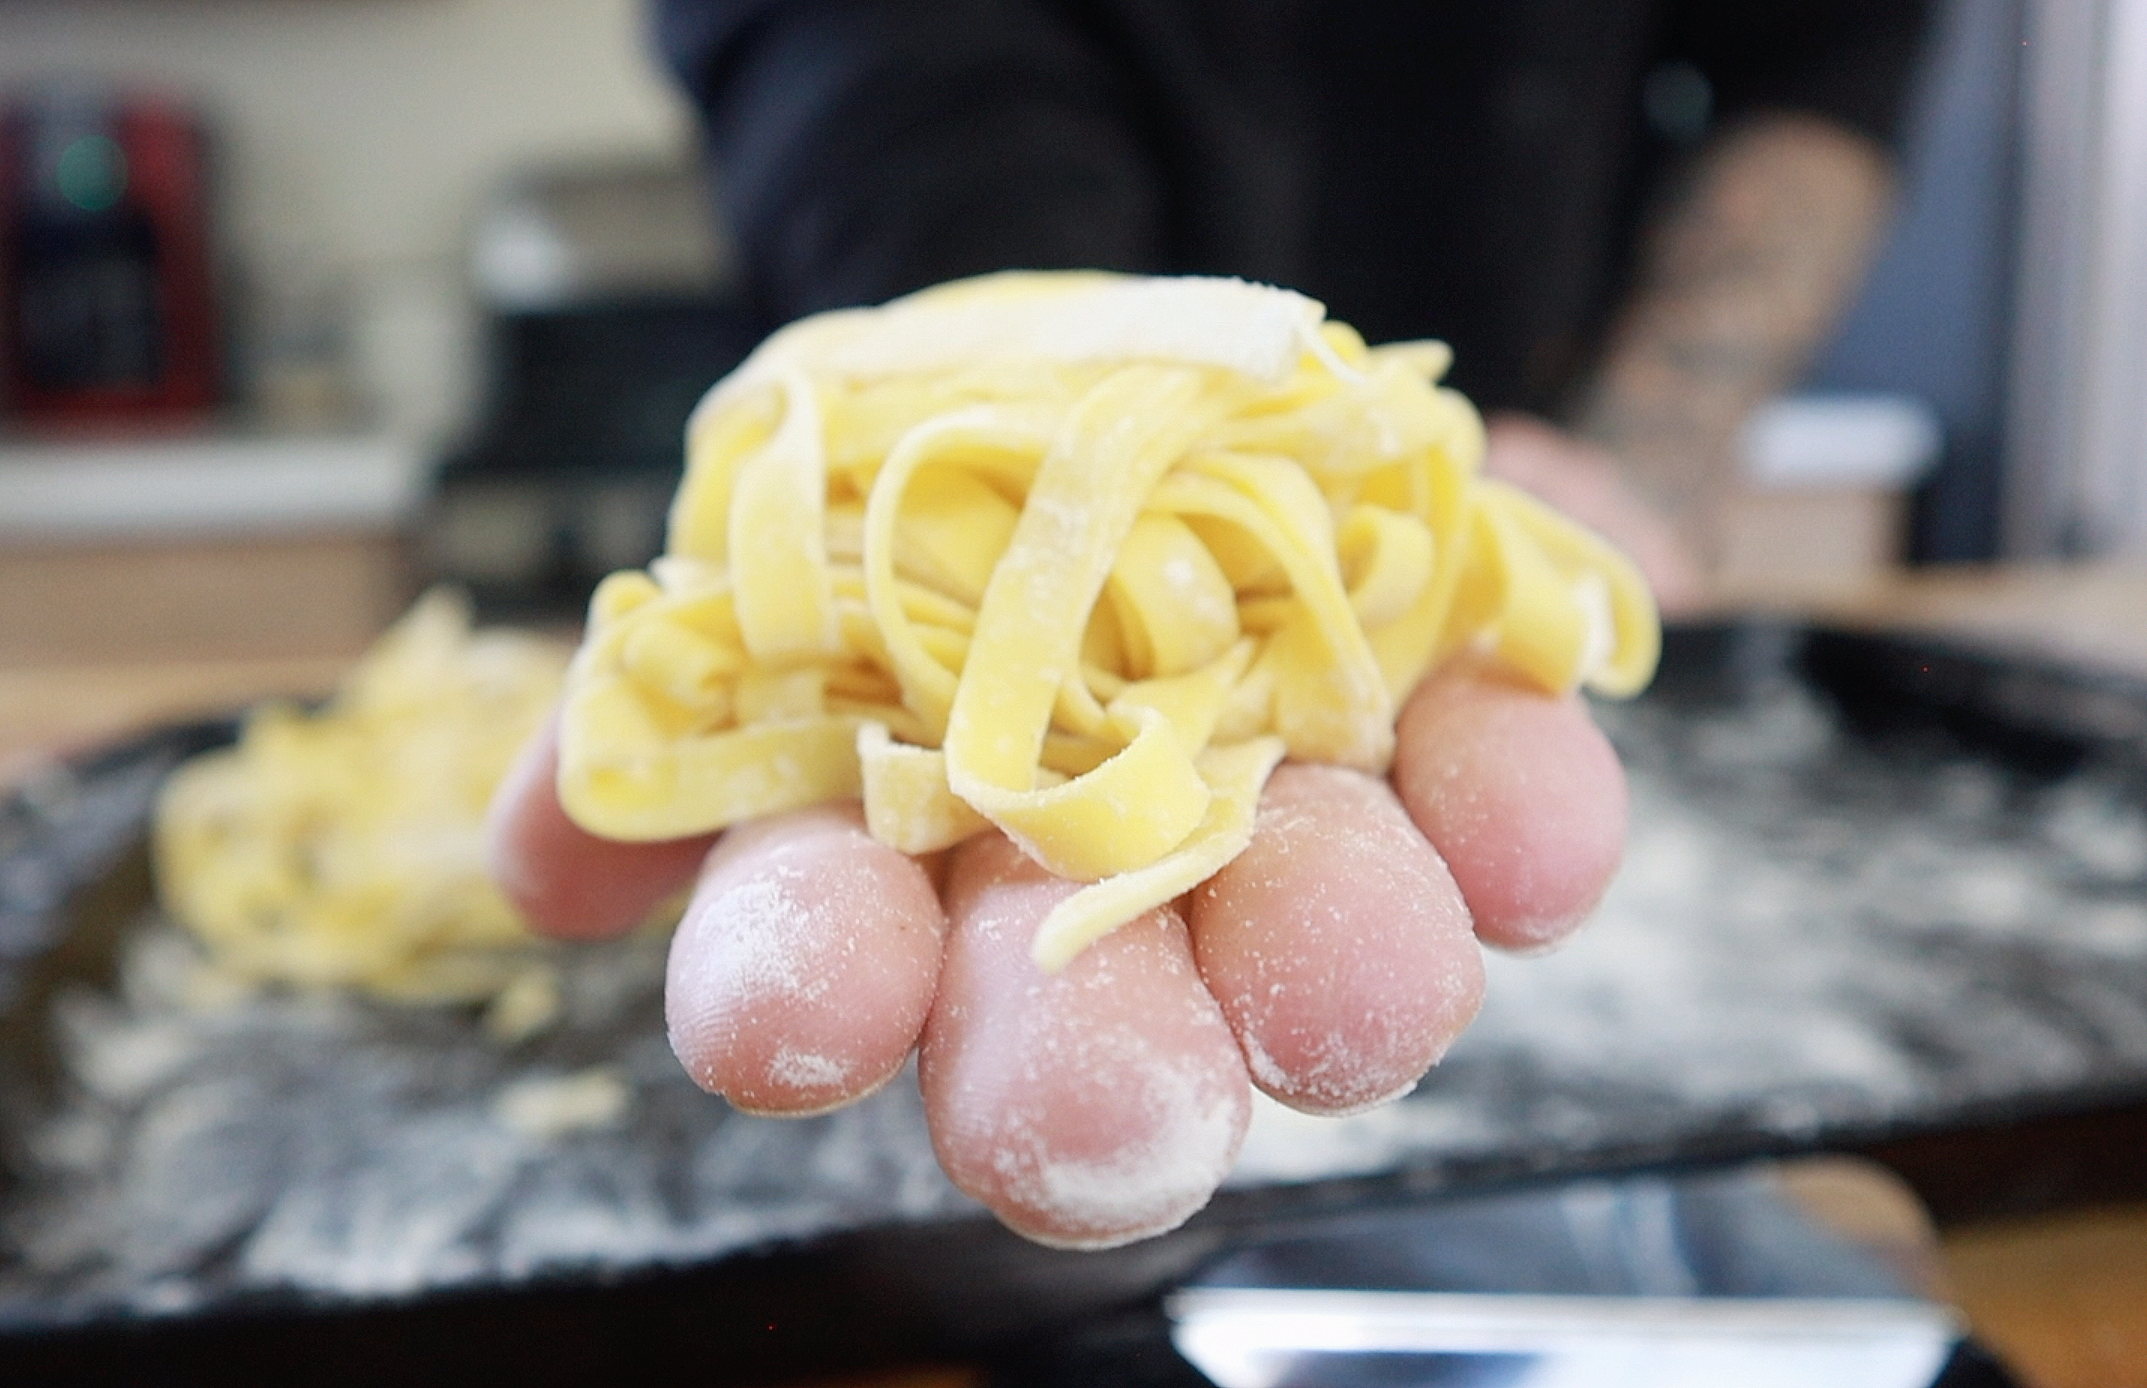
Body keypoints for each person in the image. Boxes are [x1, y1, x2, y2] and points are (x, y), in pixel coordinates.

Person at [490, 0, 1931, 1249]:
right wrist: (985, 373)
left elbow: (1819, 56)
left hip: (1426, 447)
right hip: (924, 263)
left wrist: (1632, 460)